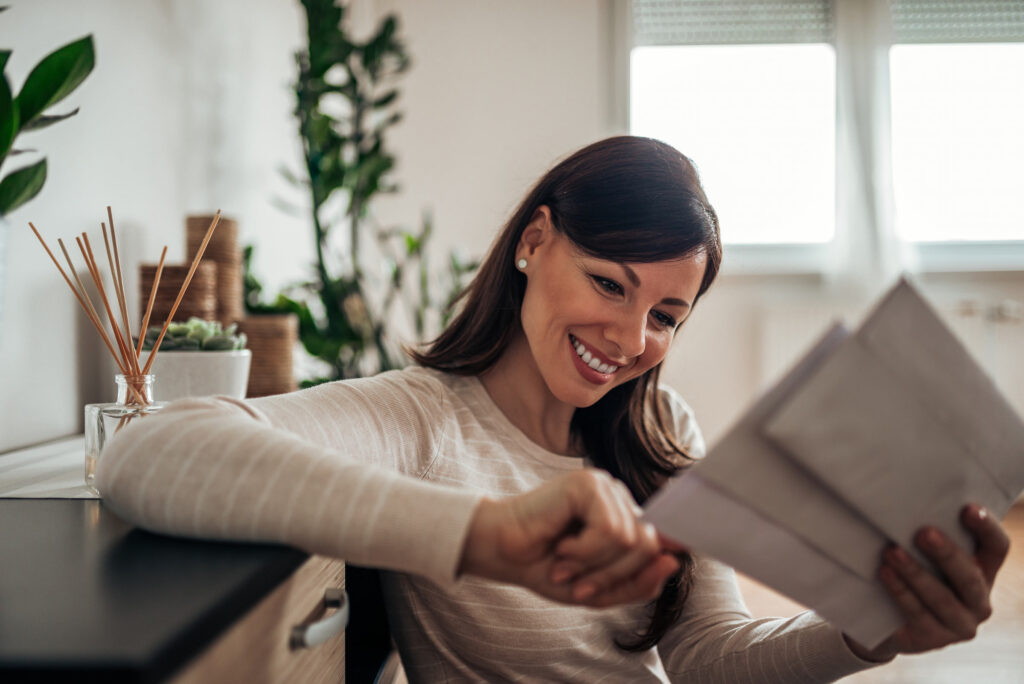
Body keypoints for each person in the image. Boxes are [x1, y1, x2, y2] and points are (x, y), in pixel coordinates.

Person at [96, 136, 1009, 682]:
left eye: (665, 315)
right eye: (608, 283)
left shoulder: (660, 431)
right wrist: (490, 533)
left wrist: (864, 632)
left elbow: (708, 659)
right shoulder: (423, 420)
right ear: (535, 242)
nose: (629, 336)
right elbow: (147, 455)